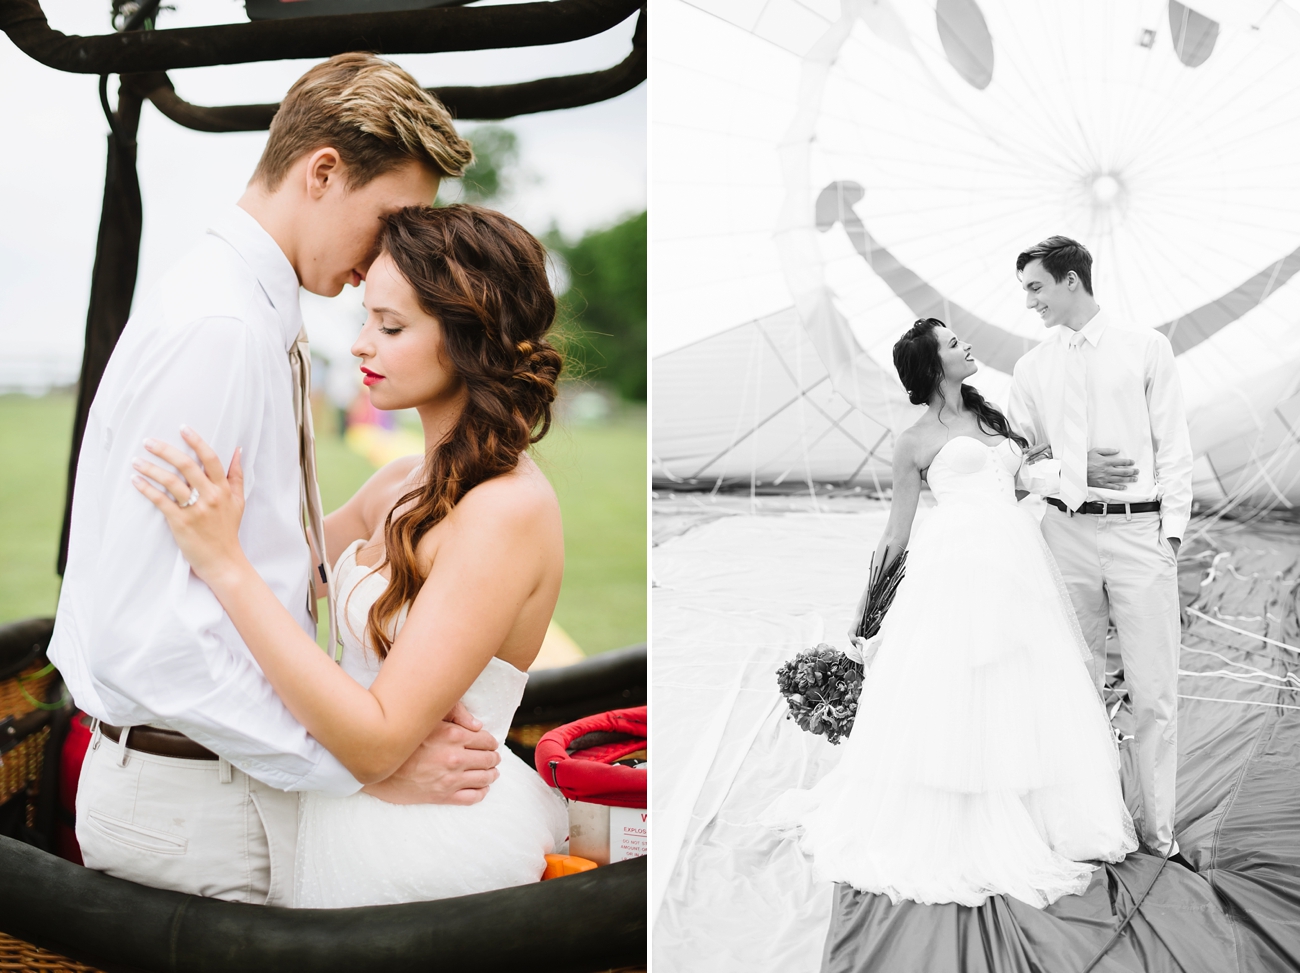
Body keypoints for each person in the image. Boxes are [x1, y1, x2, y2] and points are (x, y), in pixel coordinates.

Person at [49, 53, 499, 906]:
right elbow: (146, 635)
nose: (385, 260)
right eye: (390, 218)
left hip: (220, 780)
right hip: (193, 801)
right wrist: (360, 765)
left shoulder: (250, 311)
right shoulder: (221, 328)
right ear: (323, 171)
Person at [132, 203, 570, 907]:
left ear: (470, 338)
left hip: (427, 843)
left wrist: (225, 563)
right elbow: (292, 573)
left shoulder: (506, 512)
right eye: (366, 318)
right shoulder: (402, 479)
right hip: (343, 812)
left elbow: (377, 739)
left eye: (391, 326)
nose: (362, 345)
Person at [765, 318, 1137, 908]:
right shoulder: (913, 441)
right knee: (955, 681)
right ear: (933, 365)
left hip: (1016, 561)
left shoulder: (993, 419)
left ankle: (1035, 813)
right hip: (957, 566)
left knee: (1026, 677)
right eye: (952, 342)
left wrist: (1082, 469)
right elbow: (897, 529)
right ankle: (959, 812)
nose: (965, 345)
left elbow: (1026, 478)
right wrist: (867, 609)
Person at [1007, 236, 1193, 869]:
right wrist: (1072, 471)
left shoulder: (1147, 348)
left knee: (1154, 692)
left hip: (1142, 536)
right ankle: (1095, 823)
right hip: (1065, 538)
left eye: (1035, 287)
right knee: (1074, 688)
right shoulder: (1031, 369)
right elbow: (1020, 462)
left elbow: (1174, 446)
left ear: (1070, 281)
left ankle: (1160, 834)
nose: (1029, 301)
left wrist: (1171, 537)